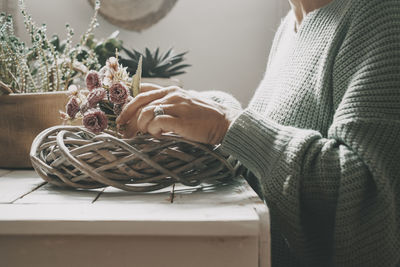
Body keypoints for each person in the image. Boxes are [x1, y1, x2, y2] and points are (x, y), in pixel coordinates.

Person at [117, 0, 400, 265]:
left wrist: (226, 124)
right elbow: (269, 149)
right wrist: (204, 108)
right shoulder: (293, 23)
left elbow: (368, 201)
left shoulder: (383, 18)